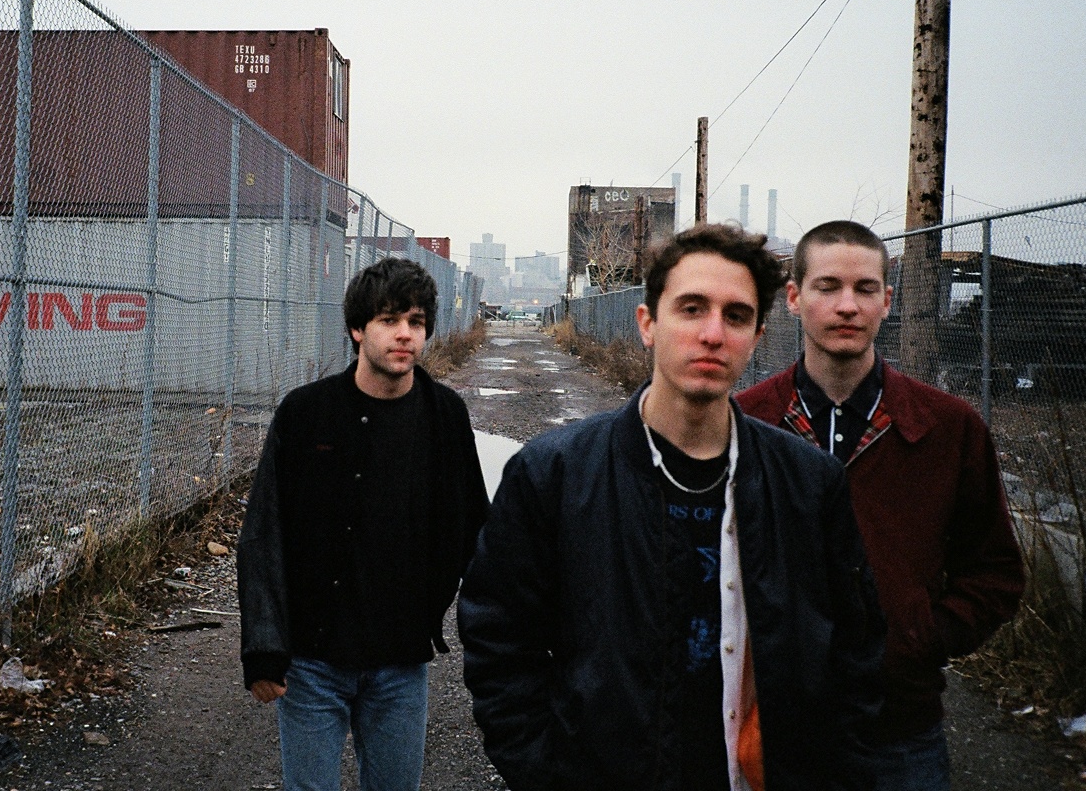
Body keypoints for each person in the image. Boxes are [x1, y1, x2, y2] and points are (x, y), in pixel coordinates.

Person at [459, 224, 885, 791]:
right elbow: (499, 638)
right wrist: (544, 769)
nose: (713, 333)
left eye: (735, 316)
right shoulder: (556, 473)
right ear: (648, 325)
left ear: (757, 335)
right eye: (691, 308)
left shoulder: (806, 483)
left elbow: (854, 651)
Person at [738, 220, 1023, 791]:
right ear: (793, 298)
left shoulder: (945, 427)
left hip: (899, 731)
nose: (847, 305)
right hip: (772, 724)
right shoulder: (745, 424)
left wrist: (919, 639)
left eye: (866, 289)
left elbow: (994, 572)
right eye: (827, 287)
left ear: (888, 301)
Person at [238, 257, 489, 791]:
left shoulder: (445, 415)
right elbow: (265, 534)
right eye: (389, 320)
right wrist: (263, 649)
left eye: (416, 322)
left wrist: (505, 641)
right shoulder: (306, 414)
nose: (405, 335)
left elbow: (477, 534)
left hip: (400, 662)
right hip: (313, 663)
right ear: (357, 329)